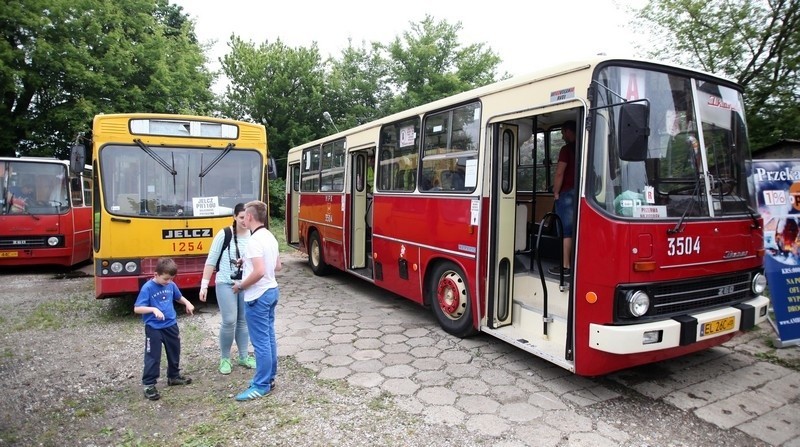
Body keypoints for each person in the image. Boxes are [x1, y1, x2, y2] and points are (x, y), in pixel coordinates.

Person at [232, 200, 281, 401]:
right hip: (271, 290)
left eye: (245, 215)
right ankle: (269, 378)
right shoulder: (269, 236)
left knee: (260, 342)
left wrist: (240, 285)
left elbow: (260, 271)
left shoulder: (253, 241)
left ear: (250, 216)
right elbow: (277, 266)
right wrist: (248, 261)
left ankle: (260, 385)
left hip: (257, 296)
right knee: (268, 338)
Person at [199, 203, 256, 375]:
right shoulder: (224, 234)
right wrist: (204, 285)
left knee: (243, 320)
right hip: (225, 282)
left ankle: (244, 356)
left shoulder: (254, 234)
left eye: (247, 217)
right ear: (234, 217)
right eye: (241, 218)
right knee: (229, 320)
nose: (245, 221)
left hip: (246, 284)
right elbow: (211, 260)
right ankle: (225, 358)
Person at [134, 258, 195, 401]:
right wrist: (153, 309)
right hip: (154, 328)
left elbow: (178, 297)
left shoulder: (171, 285)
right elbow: (137, 308)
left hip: (171, 325)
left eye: (171, 279)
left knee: (174, 351)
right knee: (153, 356)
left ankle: (173, 376)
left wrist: (187, 303)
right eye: (165, 279)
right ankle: (149, 384)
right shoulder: (148, 288)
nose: (168, 282)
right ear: (156, 274)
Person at [548, 120, 577, 277]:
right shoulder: (582, 147)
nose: (562, 135)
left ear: (568, 132)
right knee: (573, 230)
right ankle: (574, 262)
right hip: (579, 192)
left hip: (566, 193)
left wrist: (556, 192)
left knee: (565, 231)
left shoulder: (566, 150)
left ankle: (566, 266)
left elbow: (560, 173)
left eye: (562, 132)